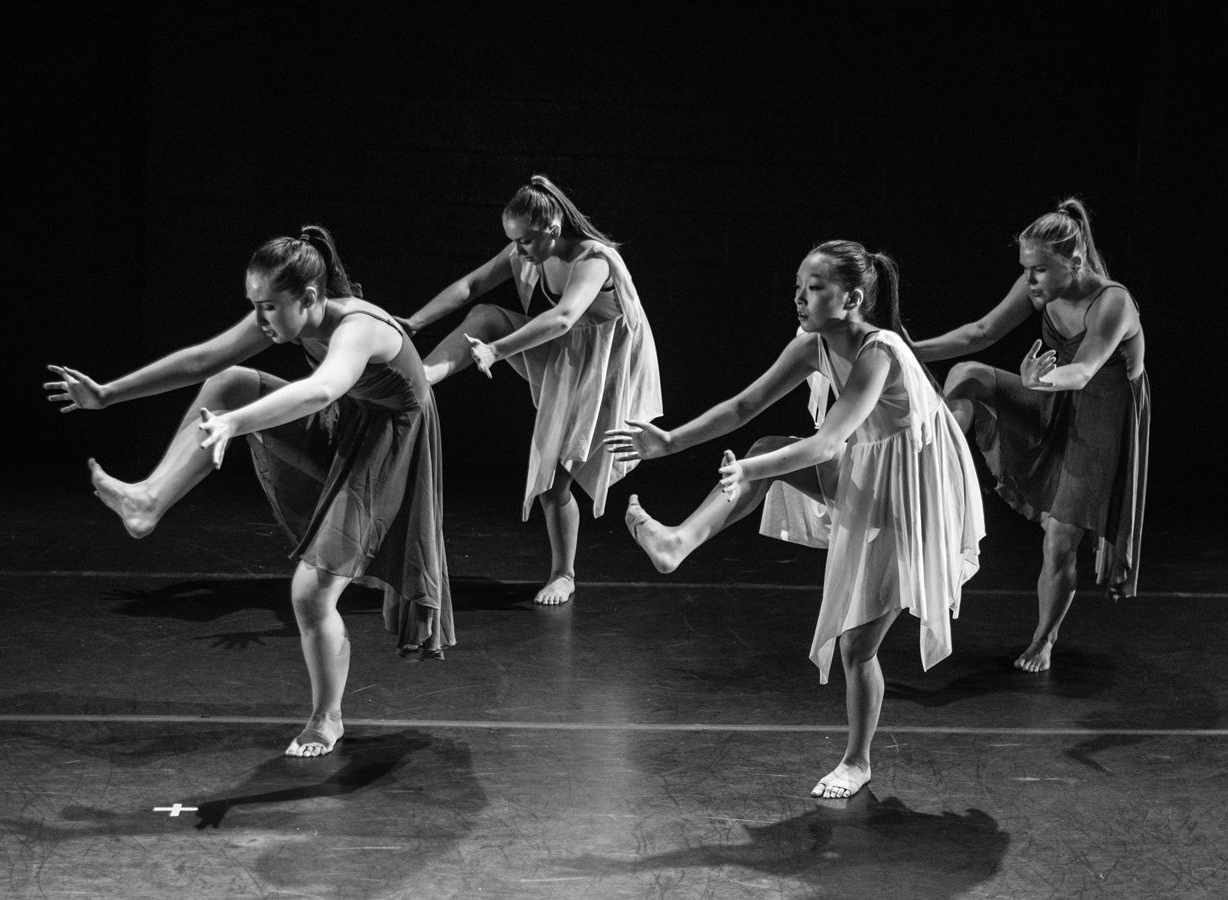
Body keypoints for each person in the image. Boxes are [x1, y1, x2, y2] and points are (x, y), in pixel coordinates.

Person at [45, 225, 453, 757]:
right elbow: (201, 361)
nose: (260, 320)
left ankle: (326, 719)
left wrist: (235, 425)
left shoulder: (359, 327)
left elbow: (322, 388)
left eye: (267, 308)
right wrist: (106, 394)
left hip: (390, 449)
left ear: (309, 297)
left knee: (310, 593)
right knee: (229, 379)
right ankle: (148, 500)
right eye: (254, 306)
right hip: (343, 424)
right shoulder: (288, 313)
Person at [605, 241, 983, 799]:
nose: (801, 299)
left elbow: (827, 441)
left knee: (856, 647)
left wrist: (751, 468)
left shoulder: (880, 352)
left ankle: (858, 761)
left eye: (815, 288)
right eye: (798, 288)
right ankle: (678, 542)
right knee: (764, 441)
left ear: (852, 298)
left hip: (914, 492)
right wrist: (669, 441)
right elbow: (741, 406)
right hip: (868, 468)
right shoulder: (813, 345)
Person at [399, 175, 662, 606]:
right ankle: (420, 380)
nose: (518, 251)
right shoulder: (530, 250)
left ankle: (564, 574)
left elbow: (563, 317)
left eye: (524, 242)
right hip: (570, 354)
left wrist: (497, 351)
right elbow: (471, 286)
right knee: (486, 312)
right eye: (514, 242)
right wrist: (415, 322)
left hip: (609, 370)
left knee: (554, 481)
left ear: (553, 228)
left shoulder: (595, 259)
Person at [911, 198, 1149, 673]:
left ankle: (1044, 640)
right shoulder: (1039, 285)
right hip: (1052, 395)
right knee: (968, 372)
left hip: (1104, 415)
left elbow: (1081, 371)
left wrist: (1038, 381)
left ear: (1075, 263)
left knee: (1060, 538)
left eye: (1039, 270)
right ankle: (934, 463)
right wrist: (910, 348)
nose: (1030, 280)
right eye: (1025, 269)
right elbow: (980, 331)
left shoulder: (1112, 302)